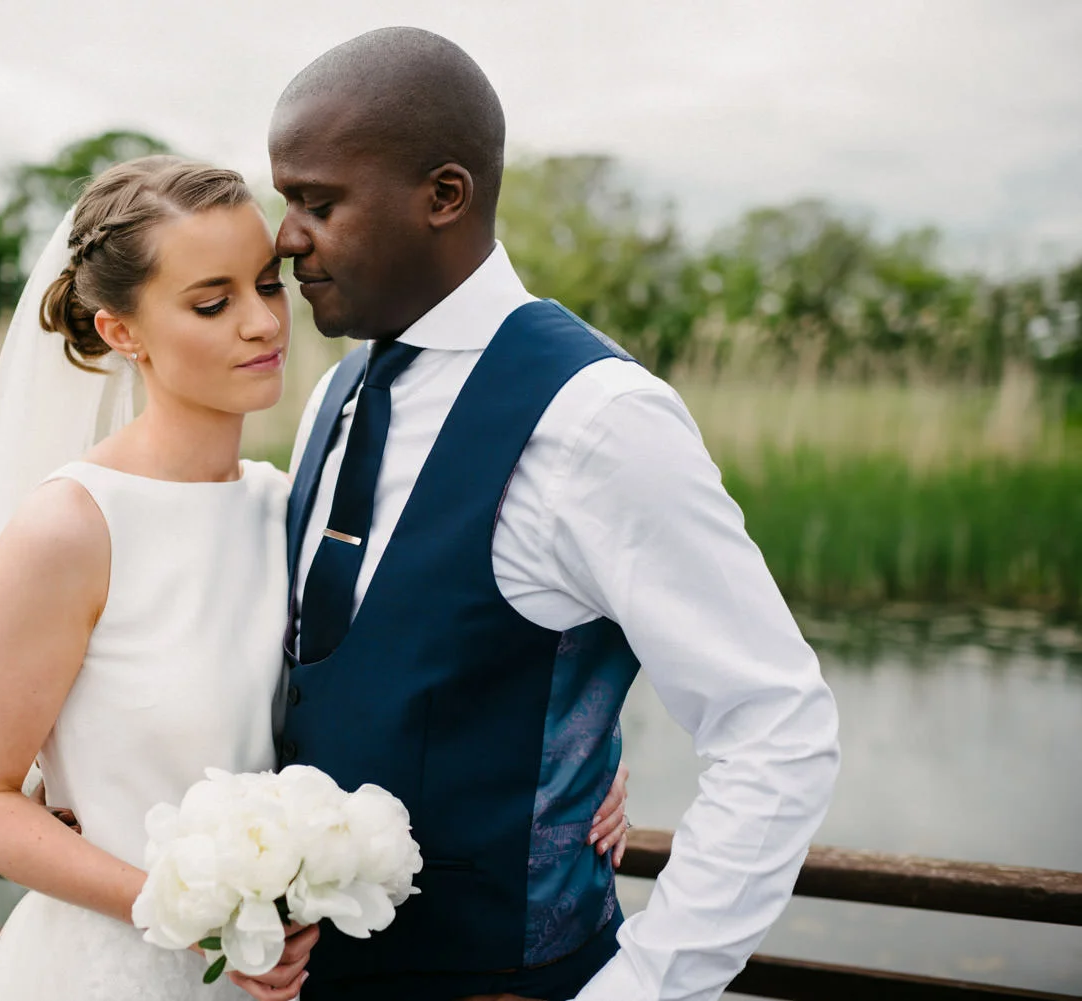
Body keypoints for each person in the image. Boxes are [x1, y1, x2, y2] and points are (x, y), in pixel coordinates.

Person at [0, 155, 631, 1001]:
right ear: (122, 331)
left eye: (268, 284)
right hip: (115, 968)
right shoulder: (72, 528)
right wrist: (187, 915)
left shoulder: (292, 500)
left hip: (285, 977)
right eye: (212, 302)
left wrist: (581, 760)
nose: (264, 323)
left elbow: (407, 677)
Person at [270, 29, 841, 1001]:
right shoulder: (341, 388)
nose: (286, 237)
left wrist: (645, 986)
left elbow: (775, 727)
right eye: (288, 201)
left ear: (444, 196)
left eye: (319, 203)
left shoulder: (598, 420)